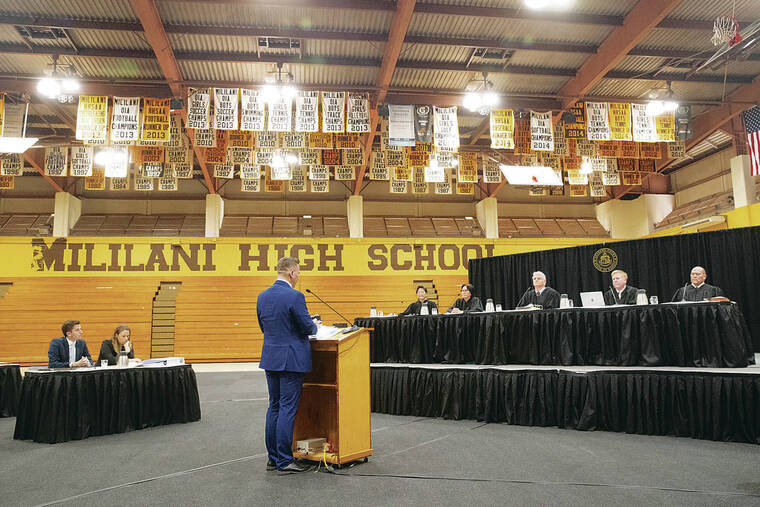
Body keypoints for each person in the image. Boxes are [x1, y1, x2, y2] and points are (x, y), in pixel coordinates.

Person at [257, 257, 318, 475]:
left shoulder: (262, 296)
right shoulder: (295, 296)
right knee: (286, 408)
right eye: (298, 272)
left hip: (271, 357)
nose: (299, 276)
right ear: (291, 272)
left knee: (274, 406)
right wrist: (315, 326)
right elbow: (308, 328)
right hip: (291, 360)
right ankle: (284, 460)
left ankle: (273, 459)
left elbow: (263, 326)